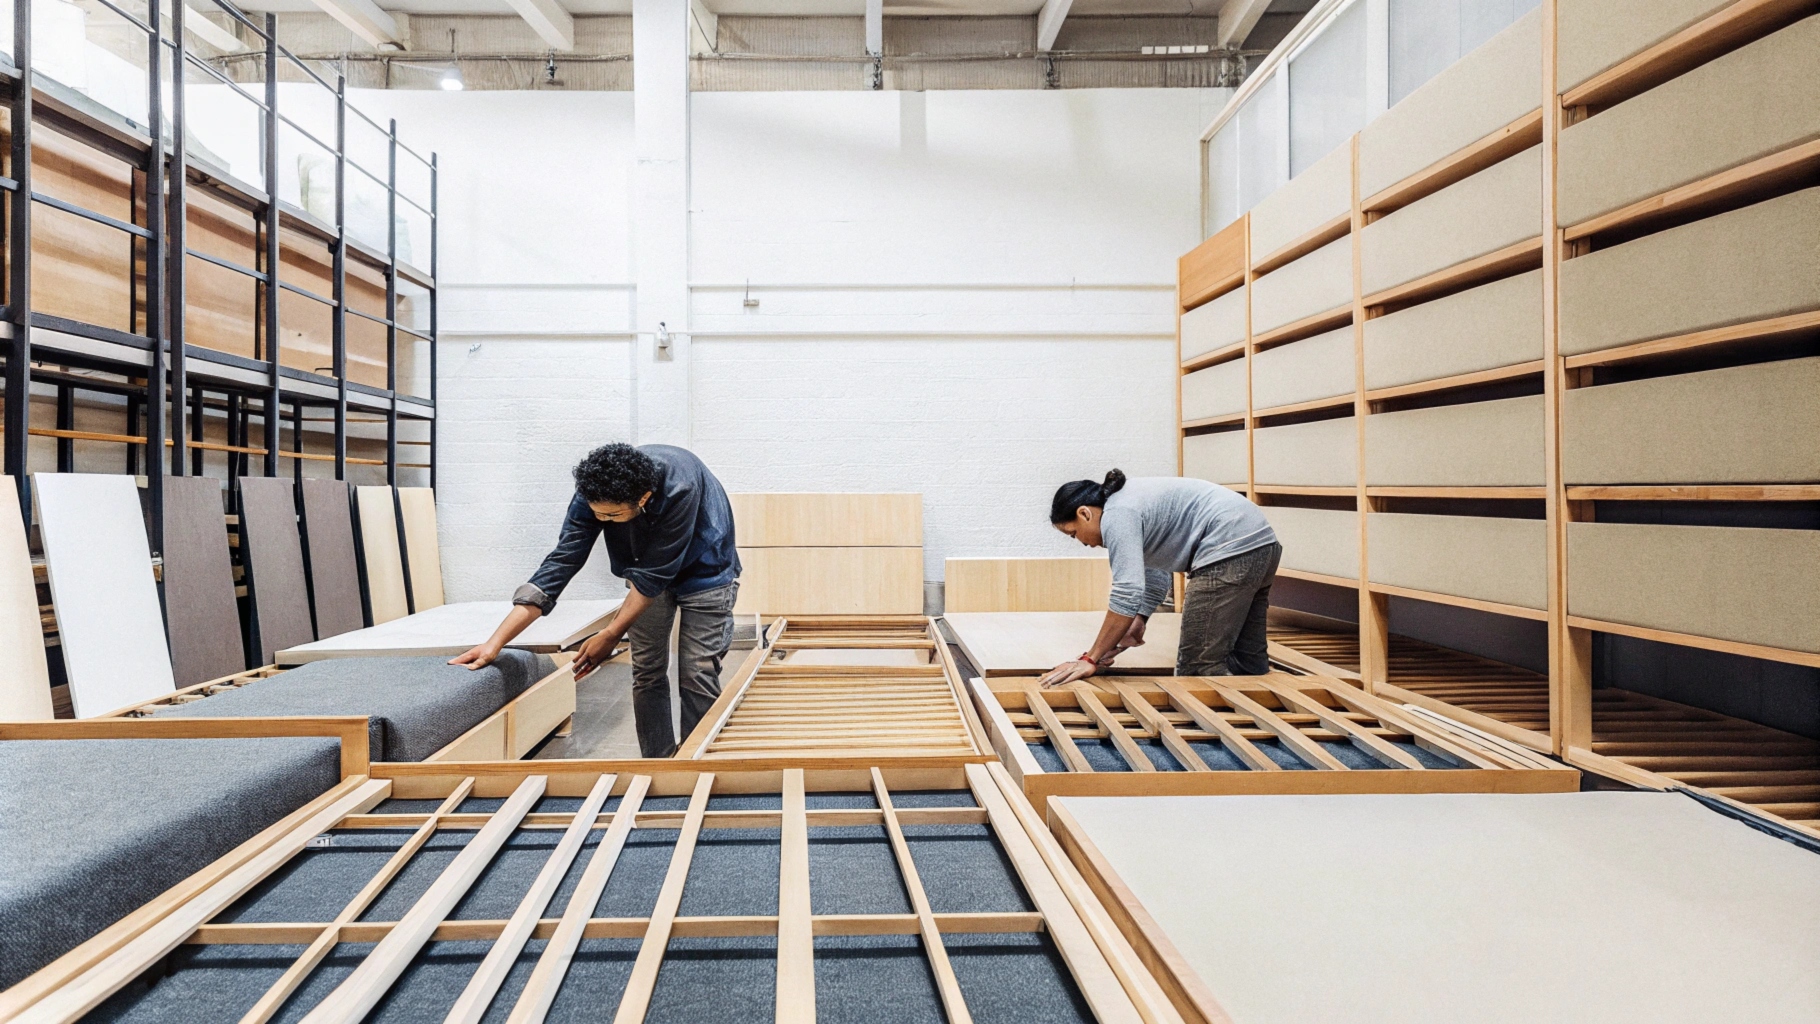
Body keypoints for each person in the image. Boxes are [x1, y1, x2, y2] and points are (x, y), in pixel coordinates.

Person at [452, 443, 740, 757]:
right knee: (647, 670)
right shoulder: (593, 493)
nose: (601, 519)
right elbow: (561, 563)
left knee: (697, 673)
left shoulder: (679, 488)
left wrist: (610, 634)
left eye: (612, 515)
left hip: (707, 572)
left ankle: (697, 761)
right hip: (646, 571)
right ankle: (659, 760)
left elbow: (653, 577)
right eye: (597, 513)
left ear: (643, 499)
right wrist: (495, 643)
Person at [1037, 469, 1280, 688]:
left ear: (1085, 513)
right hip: (1262, 544)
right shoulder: (1128, 506)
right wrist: (1140, 618)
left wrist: (1090, 658)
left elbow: (1127, 590)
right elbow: (1155, 575)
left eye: (1073, 533)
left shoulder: (1117, 515)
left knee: (1196, 668)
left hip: (1229, 547)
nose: (1081, 542)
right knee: (1248, 660)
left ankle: (1208, 734)